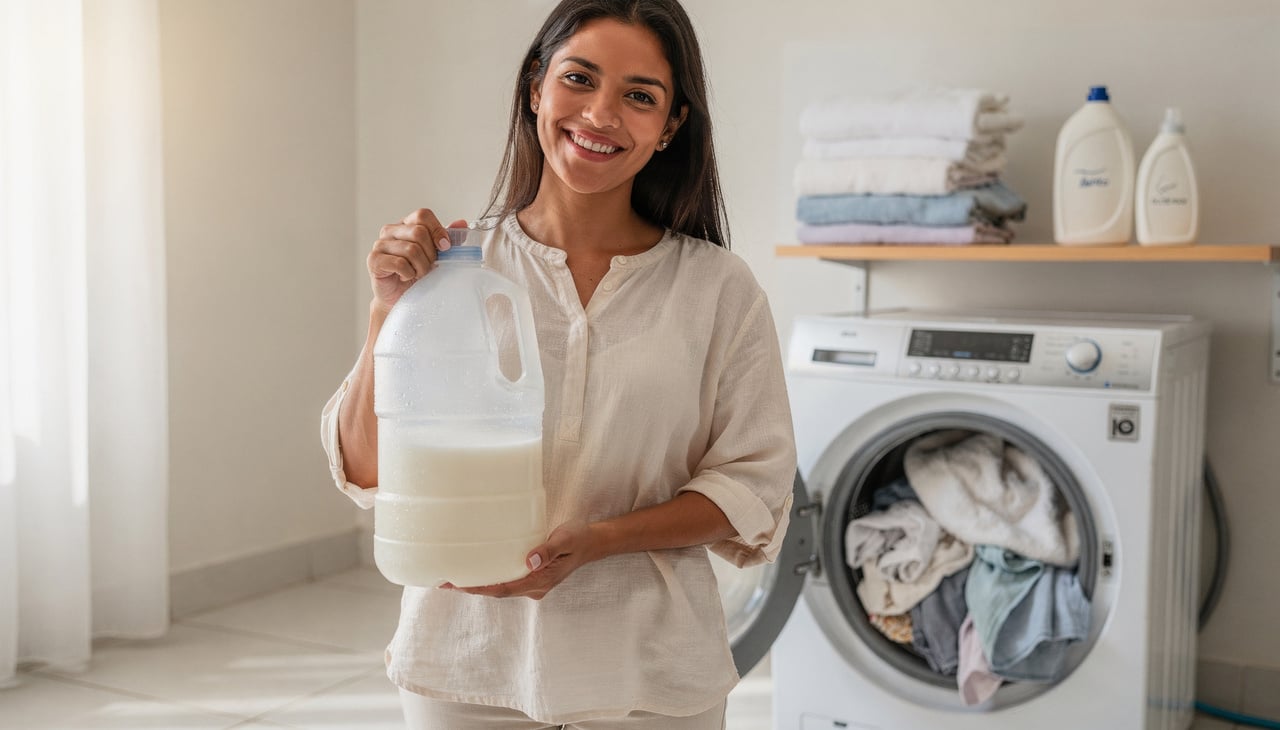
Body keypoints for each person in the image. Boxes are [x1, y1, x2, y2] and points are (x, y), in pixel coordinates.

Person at [319, 1, 796, 727]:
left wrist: (601, 541)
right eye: (579, 78)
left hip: (651, 666)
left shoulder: (717, 289)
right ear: (535, 88)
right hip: (467, 661)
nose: (601, 114)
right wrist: (388, 310)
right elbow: (367, 466)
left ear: (670, 127)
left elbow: (753, 485)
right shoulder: (449, 271)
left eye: (640, 96)